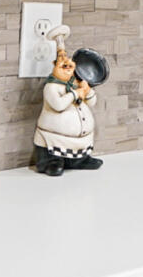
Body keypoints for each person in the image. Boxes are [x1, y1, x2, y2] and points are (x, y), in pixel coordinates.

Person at [31, 28, 108, 174]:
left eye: (70, 67)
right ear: (55, 66)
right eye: (63, 67)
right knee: (52, 152)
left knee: (78, 152)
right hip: (53, 138)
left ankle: (80, 159)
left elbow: (92, 102)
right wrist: (75, 94)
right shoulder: (51, 87)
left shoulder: (77, 83)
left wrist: (87, 90)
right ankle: (51, 162)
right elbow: (58, 105)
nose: (67, 69)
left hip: (80, 140)